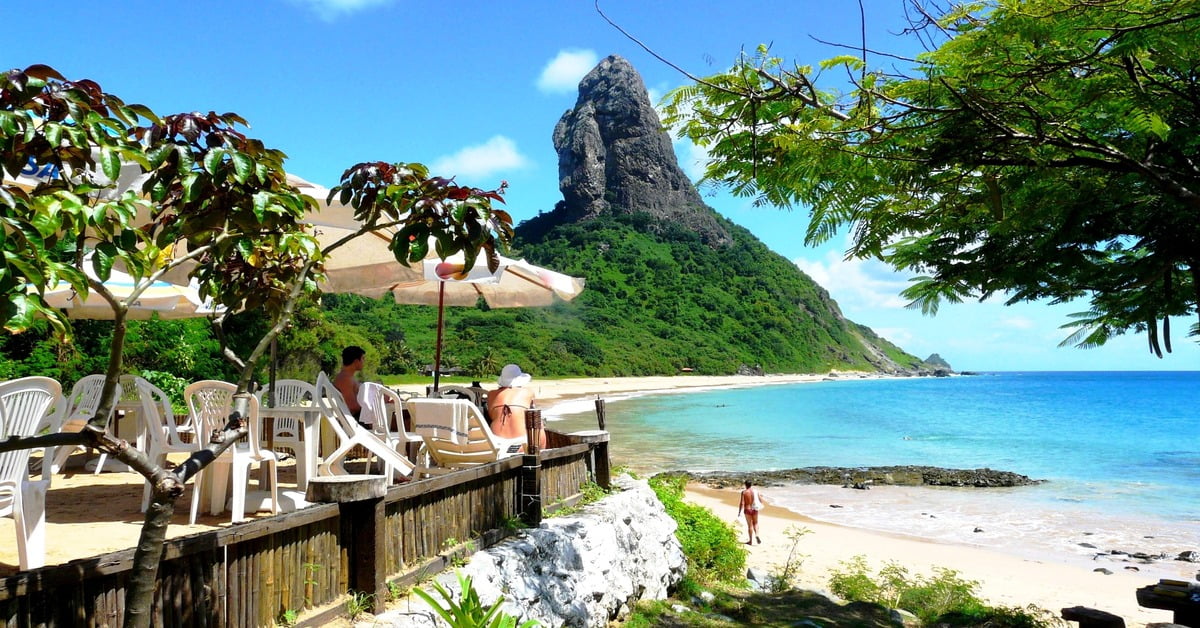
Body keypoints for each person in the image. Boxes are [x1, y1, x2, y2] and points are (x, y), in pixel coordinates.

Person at [487, 364, 545, 450]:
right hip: (521, 444)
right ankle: (542, 453)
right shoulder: (528, 393)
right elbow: (533, 418)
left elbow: (492, 416)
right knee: (538, 421)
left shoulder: (491, 394)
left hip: (496, 443)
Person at [333, 346, 366, 421]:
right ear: (356, 361)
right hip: (354, 421)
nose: (364, 362)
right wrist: (372, 408)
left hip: (357, 417)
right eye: (363, 359)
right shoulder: (345, 379)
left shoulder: (347, 377)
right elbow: (352, 406)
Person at [737, 480, 763, 545]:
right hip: (755, 509)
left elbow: (742, 503)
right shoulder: (756, 491)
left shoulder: (744, 492)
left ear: (745, 485)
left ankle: (750, 541)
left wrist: (740, 511)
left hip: (747, 509)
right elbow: (761, 500)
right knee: (756, 523)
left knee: (750, 525)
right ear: (751, 484)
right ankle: (757, 534)